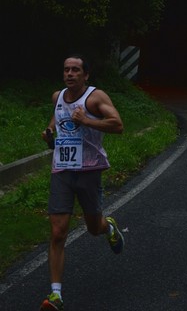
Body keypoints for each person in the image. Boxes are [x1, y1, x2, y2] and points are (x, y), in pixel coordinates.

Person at [40, 55, 125, 311]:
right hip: (62, 170)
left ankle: (108, 227)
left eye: (75, 70)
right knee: (57, 231)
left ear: (86, 75)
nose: (70, 74)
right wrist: (49, 135)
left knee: (93, 227)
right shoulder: (57, 97)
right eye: (66, 69)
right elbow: (55, 122)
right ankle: (56, 295)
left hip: (89, 170)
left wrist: (87, 120)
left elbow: (118, 125)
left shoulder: (95, 97)